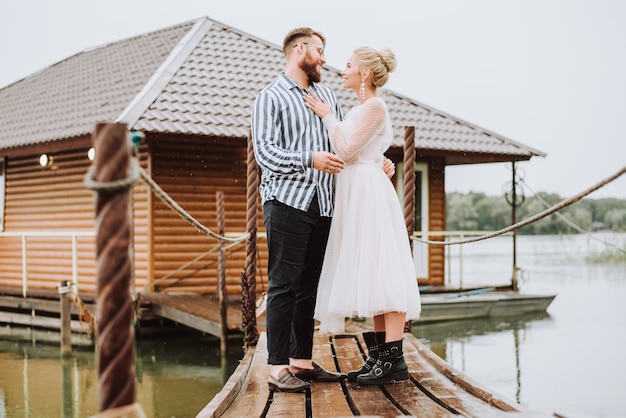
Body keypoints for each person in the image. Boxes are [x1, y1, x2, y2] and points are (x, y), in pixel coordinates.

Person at [304, 46, 422, 385]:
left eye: (350, 65)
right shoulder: (361, 108)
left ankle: (393, 360)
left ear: (365, 74)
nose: (344, 69)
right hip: (356, 190)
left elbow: (346, 149)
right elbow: (361, 151)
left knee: (384, 269)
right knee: (372, 271)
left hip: (369, 193)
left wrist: (327, 116)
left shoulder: (375, 105)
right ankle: (380, 358)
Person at [250, 27, 349, 393]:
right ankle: (277, 369)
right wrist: (310, 159)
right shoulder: (269, 97)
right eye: (319, 50)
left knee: (308, 286)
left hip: (322, 202)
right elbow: (265, 154)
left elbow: (341, 140)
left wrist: (377, 161)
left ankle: (301, 362)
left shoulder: (326, 95)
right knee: (283, 286)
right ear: (299, 49)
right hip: (287, 201)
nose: (323, 58)